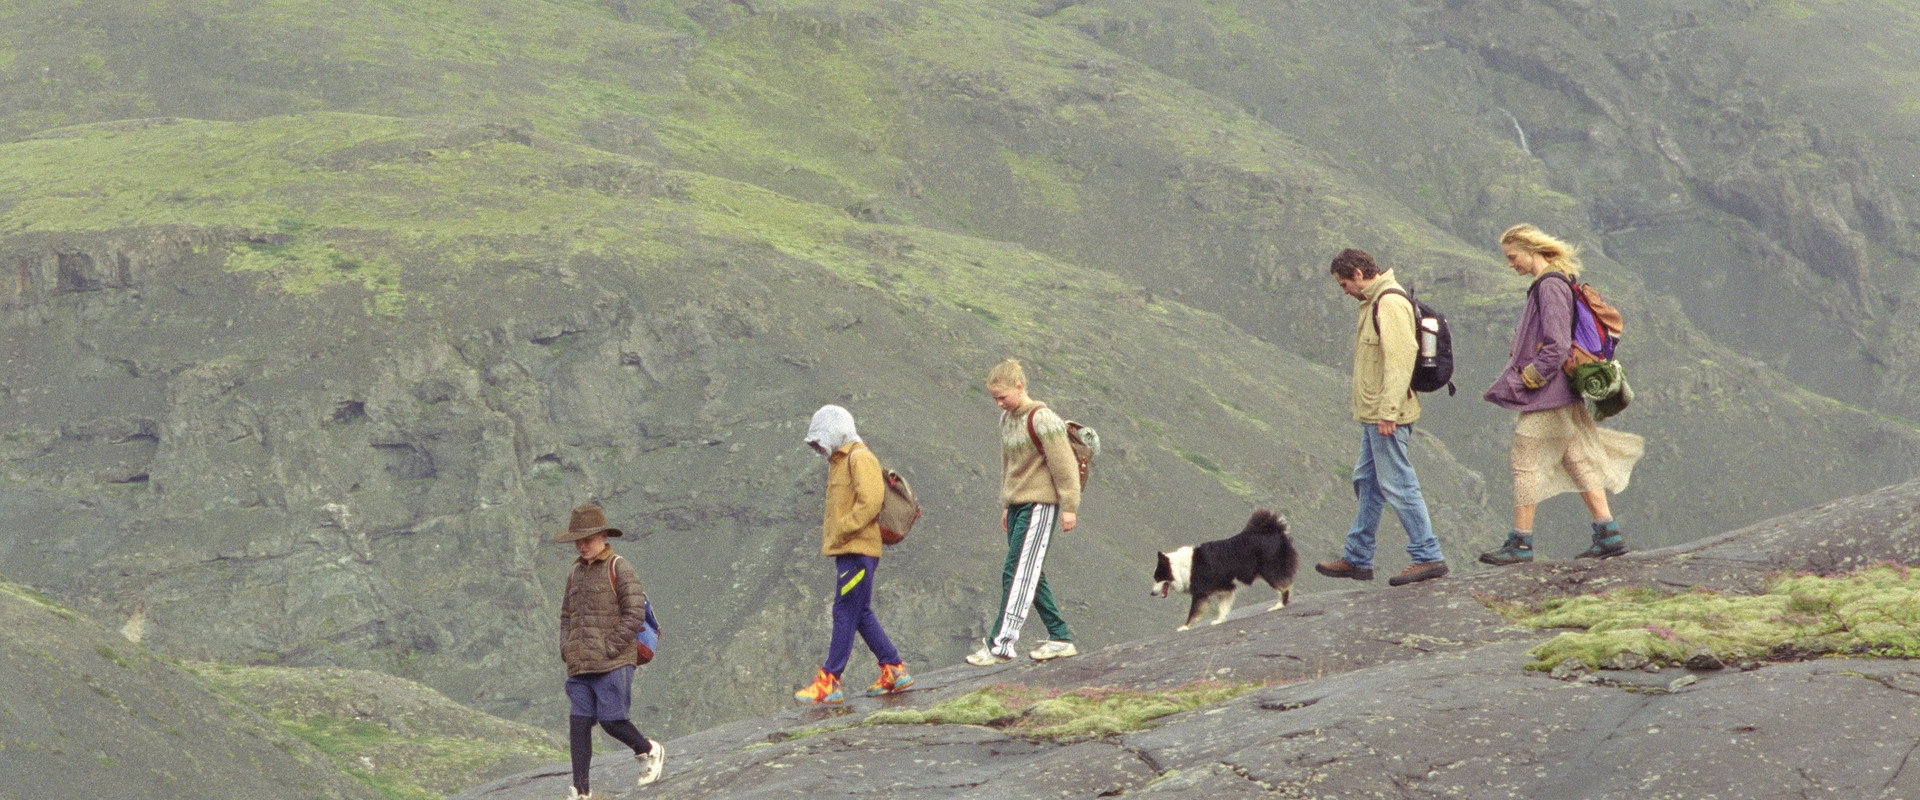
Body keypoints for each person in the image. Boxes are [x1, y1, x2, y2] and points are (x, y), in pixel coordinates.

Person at [1479, 224, 1644, 564]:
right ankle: (1608, 534)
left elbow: (1555, 344)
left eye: (1513, 257)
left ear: (1531, 250)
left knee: (1524, 462)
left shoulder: (1550, 286)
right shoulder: (1556, 282)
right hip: (1562, 391)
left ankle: (1520, 543)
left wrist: (1533, 375)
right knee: (1576, 458)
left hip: (1548, 393)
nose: (1510, 264)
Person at [1312, 249, 1450, 587]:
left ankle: (1427, 555)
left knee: (1399, 484)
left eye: (1344, 283)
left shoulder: (1389, 303)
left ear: (1358, 273)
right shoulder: (1373, 304)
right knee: (1368, 483)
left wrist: (1388, 412)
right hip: (1375, 413)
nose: (1344, 290)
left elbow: (1400, 361)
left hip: (1386, 414)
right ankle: (1357, 556)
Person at [793, 404, 915, 703]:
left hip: (858, 549)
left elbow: (871, 500)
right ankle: (894, 669)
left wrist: (846, 527)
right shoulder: (841, 460)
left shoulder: (859, 457)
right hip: (851, 550)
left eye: (822, 439)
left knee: (844, 611)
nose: (820, 447)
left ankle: (830, 680)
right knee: (859, 612)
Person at [967, 359, 1081, 665]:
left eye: (1003, 396)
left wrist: (1069, 507)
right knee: (1031, 572)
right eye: (994, 398)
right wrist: (1006, 503)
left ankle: (1000, 644)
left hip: (1040, 506)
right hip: (1018, 505)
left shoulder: (1043, 419)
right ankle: (1060, 637)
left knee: (1016, 571)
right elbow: (1009, 465)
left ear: (1020, 387)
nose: (999, 403)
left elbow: (1065, 465)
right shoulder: (1006, 420)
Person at [555, 503, 664, 799]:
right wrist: (567, 647)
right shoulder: (574, 572)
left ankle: (648, 750)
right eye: (577, 540)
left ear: (603, 536)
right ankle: (580, 791)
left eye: (587, 539)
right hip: (580, 665)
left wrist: (611, 647)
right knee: (578, 725)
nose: (582, 545)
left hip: (613, 662)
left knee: (612, 720)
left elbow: (635, 612)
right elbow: (566, 615)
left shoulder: (619, 567)